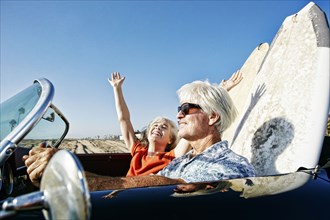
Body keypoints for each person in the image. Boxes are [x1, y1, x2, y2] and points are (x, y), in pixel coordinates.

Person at [23, 78, 255, 191]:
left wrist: (76, 179)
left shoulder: (233, 166)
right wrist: (67, 175)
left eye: (186, 109)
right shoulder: (182, 161)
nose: (179, 116)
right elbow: (144, 182)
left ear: (213, 117)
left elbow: (173, 186)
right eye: (178, 110)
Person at [108, 71, 243, 176]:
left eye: (164, 126)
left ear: (171, 138)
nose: (179, 115)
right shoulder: (139, 152)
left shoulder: (172, 157)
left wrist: (221, 92)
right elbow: (124, 119)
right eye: (154, 125)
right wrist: (117, 89)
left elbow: (199, 129)